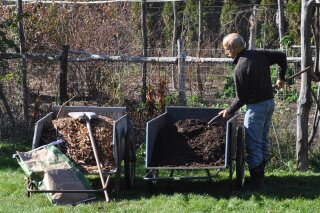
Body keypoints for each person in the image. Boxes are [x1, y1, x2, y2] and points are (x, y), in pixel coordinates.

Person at [218, 33, 287, 191]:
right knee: (262, 140)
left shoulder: (240, 67)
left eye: (227, 49)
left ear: (236, 48)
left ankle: (257, 184)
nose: (226, 52)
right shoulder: (259, 54)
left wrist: (228, 111)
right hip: (269, 104)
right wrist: (281, 77)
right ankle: (260, 176)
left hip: (256, 108)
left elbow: (241, 98)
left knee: (253, 146)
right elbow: (281, 56)